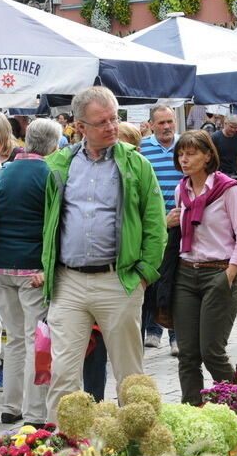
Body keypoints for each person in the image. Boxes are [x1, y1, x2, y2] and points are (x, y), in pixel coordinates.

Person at [41, 86, 166, 423]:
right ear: (80, 127)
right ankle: (61, 454)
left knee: (131, 376)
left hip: (119, 279)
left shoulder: (136, 164)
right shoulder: (58, 164)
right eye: (102, 122)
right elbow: (45, 219)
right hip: (68, 282)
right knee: (64, 373)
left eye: (115, 118)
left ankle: (141, 447)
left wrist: (143, 275)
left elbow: (156, 224)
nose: (112, 126)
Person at [0, 118, 63, 426]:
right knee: (36, 339)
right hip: (33, 268)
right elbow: (56, 226)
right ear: (53, 145)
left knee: (13, 339)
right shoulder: (50, 174)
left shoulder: (3, 172)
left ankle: (10, 406)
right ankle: (36, 413)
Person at [171, 130, 237, 405]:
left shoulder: (227, 189)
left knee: (212, 352)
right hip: (185, 272)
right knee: (188, 354)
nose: (184, 159)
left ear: (208, 156)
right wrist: (169, 221)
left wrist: (230, 274)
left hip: (218, 272)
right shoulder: (181, 189)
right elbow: (177, 233)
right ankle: (192, 412)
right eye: (181, 153)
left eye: (191, 153)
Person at [138, 105, 182, 354]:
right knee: (154, 280)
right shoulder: (144, 149)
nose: (166, 127)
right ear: (151, 125)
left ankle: (176, 337)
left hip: (181, 226)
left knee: (175, 282)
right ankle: (152, 330)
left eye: (170, 122)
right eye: (161, 123)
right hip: (155, 226)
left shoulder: (184, 146)